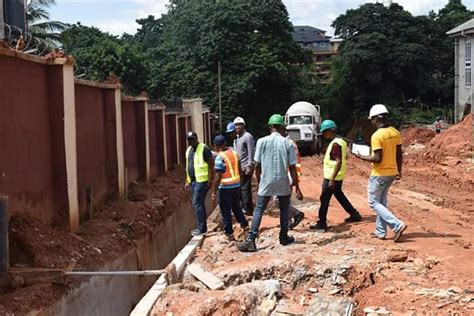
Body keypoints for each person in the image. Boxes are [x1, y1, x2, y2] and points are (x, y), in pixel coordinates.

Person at [238, 114, 303, 252]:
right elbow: (292, 167)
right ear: (281, 127)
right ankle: (284, 237)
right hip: (282, 181)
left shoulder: (261, 141)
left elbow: (257, 165)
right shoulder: (288, 143)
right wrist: (297, 187)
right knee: (284, 208)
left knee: (259, 209)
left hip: (266, 180)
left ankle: (251, 240)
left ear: (269, 126)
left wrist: (260, 180)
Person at [355, 104, 407, 242]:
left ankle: (397, 225)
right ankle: (380, 231)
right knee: (381, 203)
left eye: (371, 119)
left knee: (373, 202)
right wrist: (399, 171)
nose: (371, 122)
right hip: (391, 172)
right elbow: (399, 155)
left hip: (379, 174)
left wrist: (362, 157)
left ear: (376, 119)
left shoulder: (377, 136)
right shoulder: (396, 132)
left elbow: (377, 158)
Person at [309, 120, 362, 232]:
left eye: (324, 132)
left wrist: (332, 180)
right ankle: (354, 214)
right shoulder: (341, 141)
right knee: (339, 195)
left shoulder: (335, 144)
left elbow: (338, 161)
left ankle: (322, 223)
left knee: (324, 198)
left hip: (331, 177)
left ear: (330, 131)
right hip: (337, 176)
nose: (323, 135)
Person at [211, 135, 249, 241]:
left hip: (225, 188)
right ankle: (245, 225)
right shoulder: (234, 153)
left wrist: (214, 191)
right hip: (236, 186)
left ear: (216, 145)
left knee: (225, 210)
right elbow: (240, 171)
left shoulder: (220, 157)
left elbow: (218, 176)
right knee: (236, 207)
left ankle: (229, 233)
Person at [185, 132, 214, 236]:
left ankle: (201, 228)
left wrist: (211, 179)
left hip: (202, 180)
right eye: (189, 139)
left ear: (196, 139)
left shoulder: (203, 148)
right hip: (193, 181)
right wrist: (187, 181)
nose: (191, 141)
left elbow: (211, 164)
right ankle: (202, 227)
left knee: (196, 203)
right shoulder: (188, 150)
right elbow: (188, 166)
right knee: (199, 203)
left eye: (192, 139)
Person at [234, 117, 255, 216]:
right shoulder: (238, 138)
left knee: (245, 188)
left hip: (246, 166)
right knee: (242, 188)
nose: (237, 127)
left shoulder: (247, 136)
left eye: (239, 125)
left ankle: (248, 208)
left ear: (243, 125)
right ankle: (245, 206)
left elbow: (251, 152)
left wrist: (250, 165)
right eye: (236, 125)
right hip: (240, 167)